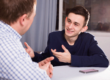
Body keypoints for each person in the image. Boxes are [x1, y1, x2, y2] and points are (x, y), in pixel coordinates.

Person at [25, 6, 109, 67]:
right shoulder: (53, 37)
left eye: (76, 24)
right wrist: (34, 55)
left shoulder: (88, 39)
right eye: (69, 21)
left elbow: (103, 61)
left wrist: (71, 59)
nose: (70, 26)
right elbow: (46, 58)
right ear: (65, 20)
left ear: (83, 28)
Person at [0, 0, 54, 80]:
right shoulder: (8, 46)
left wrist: (32, 68)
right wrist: (42, 74)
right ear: (23, 19)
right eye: (33, 16)